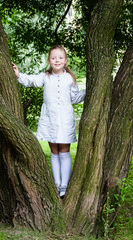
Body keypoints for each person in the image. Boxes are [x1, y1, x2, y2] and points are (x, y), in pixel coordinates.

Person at [12, 45, 86, 198]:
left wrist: (87, 91)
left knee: (64, 150)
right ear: (49, 60)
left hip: (65, 118)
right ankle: (56, 183)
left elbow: (75, 98)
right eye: (53, 58)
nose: (57, 60)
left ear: (65, 61)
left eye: (60, 58)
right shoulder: (45, 76)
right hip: (50, 119)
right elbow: (31, 81)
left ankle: (64, 185)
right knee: (54, 150)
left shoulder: (70, 78)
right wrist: (18, 75)